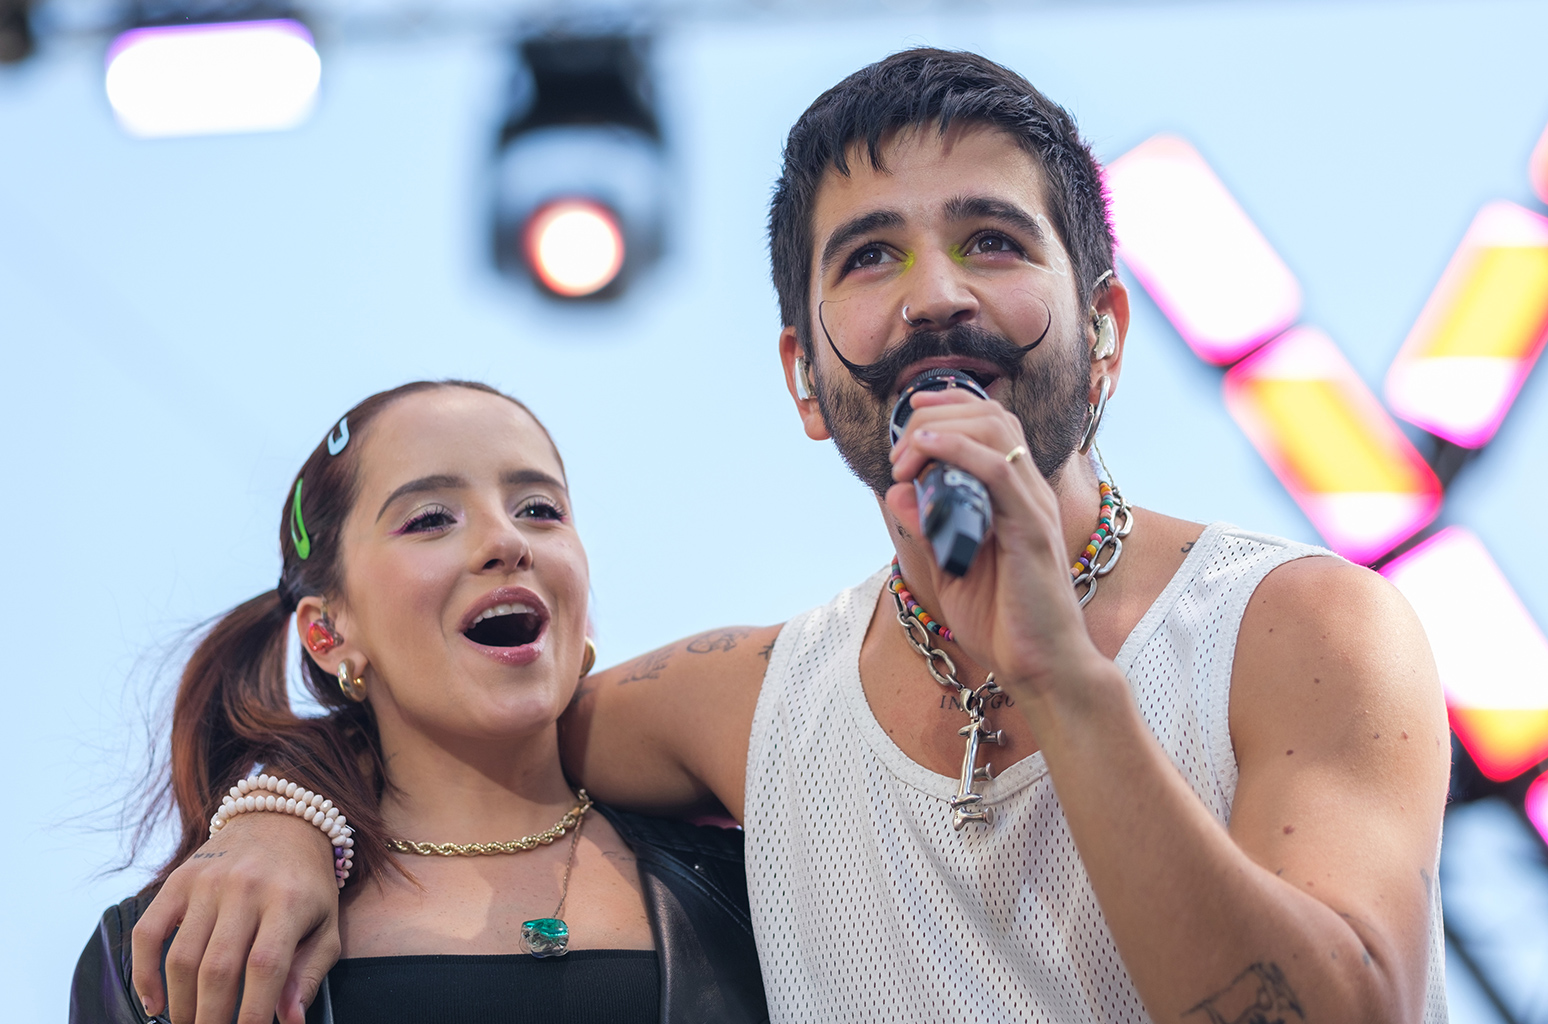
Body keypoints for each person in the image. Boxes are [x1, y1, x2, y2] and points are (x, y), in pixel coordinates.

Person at [123, 49, 1451, 1024]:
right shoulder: (744, 702)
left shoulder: (1295, 631)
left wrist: (1063, 679)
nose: (935, 297)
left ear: (1105, 329)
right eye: (867, 259)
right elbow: (456, 722)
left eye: (991, 240)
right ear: (805, 380)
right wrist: (282, 818)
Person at [70, 381, 767, 1024]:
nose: (506, 541)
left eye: (540, 510)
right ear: (327, 632)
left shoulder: (753, 885)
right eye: (432, 519)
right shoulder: (181, 951)